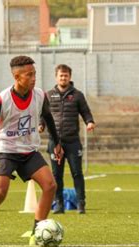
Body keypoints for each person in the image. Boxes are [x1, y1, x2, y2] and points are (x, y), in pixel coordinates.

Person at [0, 55, 63, 246]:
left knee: (50, 185)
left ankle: (36, 232)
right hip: (5, 150)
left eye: (35, 74)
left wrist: (57, 142)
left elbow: (48, 118)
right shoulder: (3, 99)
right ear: (17, 78)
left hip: (29, 150)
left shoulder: (40, 95)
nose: (34, 78)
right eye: (29, 75)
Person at [39, 64, 95, 214]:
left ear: (70, 77)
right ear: (56, 77)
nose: (63, 78)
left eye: (66, 75)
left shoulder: (77, 95)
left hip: (73, 141)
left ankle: (81, 203)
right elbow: (43, 114)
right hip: (54, 141)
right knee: (56, 174)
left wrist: (90, 122)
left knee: (77, 173)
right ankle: (59, 204)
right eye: (61, 75)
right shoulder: (49, 95)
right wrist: (40, 125)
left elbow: (85, 112)